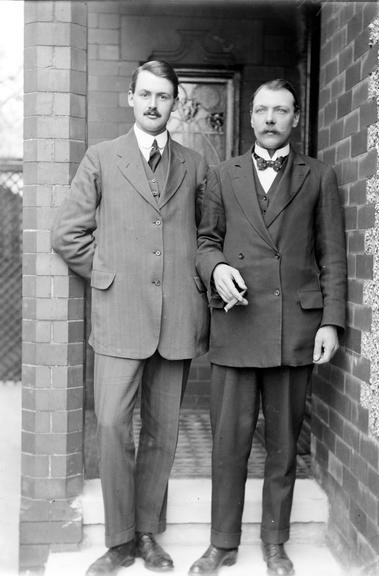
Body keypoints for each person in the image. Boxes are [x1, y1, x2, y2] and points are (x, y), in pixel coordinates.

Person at [51, 60, 209, 576]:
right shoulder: (101, 159)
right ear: (130, 97)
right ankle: (119, 541)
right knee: (114, 425)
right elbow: (67, 234)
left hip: (177, 318)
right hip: (119, 319)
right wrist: (107, 276)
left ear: (175, 104)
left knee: (164, 433)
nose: (153, 104)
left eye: (163, 97)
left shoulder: (195, 164)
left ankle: (148, 535)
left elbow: (209, 238)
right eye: (145, 94)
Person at [189, 79, 347, 576]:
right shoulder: (221, 174)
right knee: (229, 444)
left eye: (281, 110)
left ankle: (276, 543)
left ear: (296, 118)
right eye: (262, 110)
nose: (271, 118)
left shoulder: (319, 176)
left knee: (283, 444)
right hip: (237, 326)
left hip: (293, 330)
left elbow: (333, 257)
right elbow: (205, 240)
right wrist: (215, 268)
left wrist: (332, 322)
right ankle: (222, 543)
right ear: (252, 118)